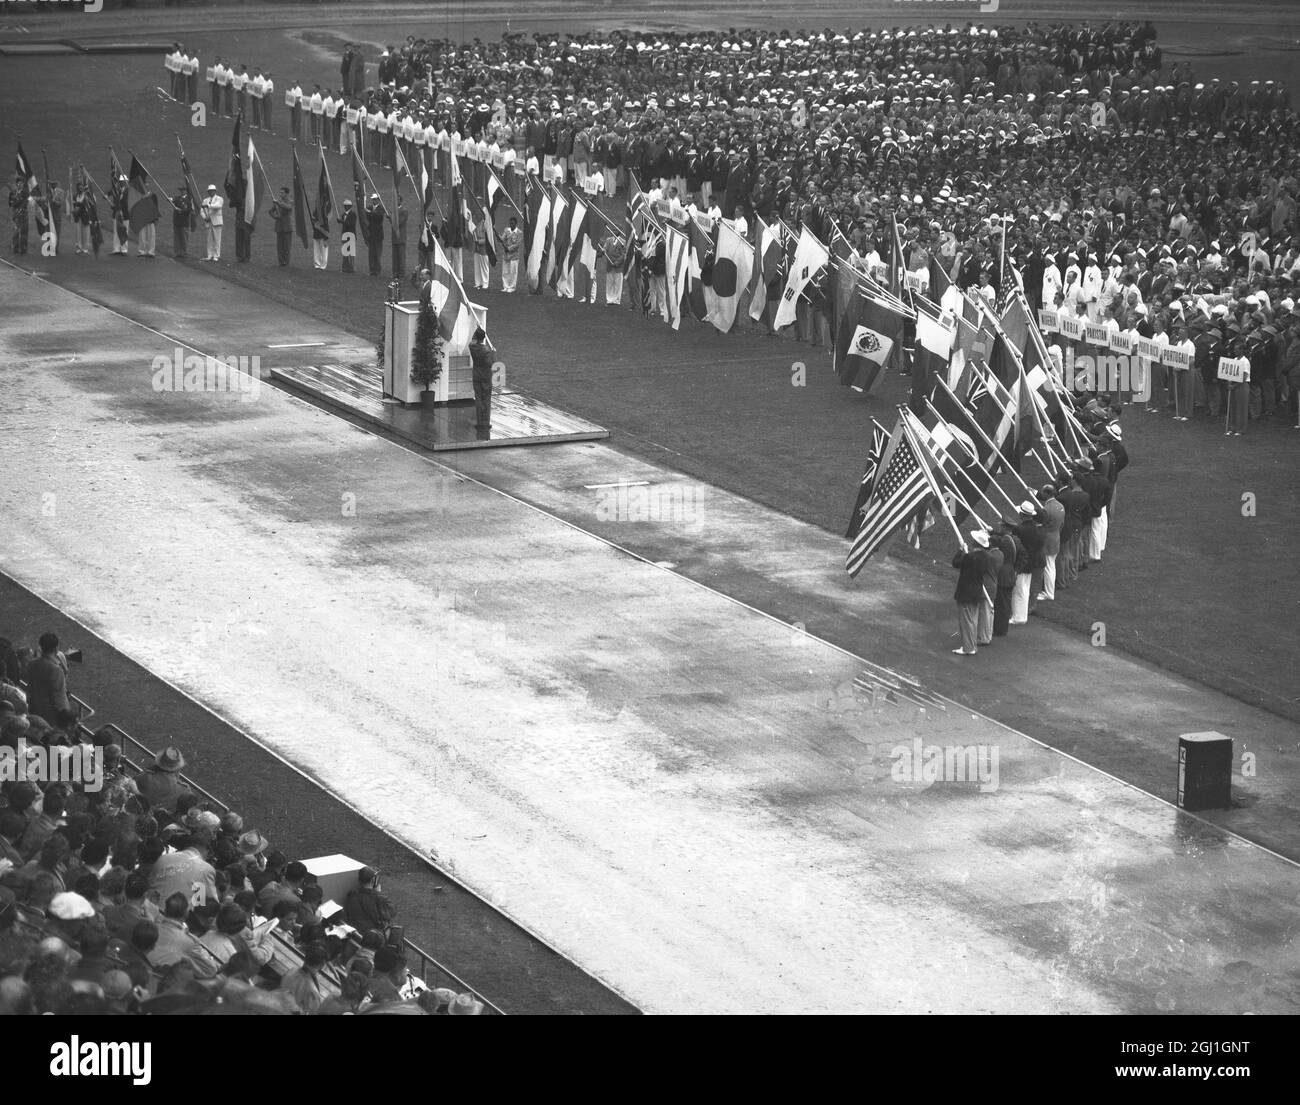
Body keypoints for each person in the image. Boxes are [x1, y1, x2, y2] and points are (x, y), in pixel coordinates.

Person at [950, 530, 990, 656]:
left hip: (966, 593)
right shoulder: (986, 557)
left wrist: (961, 550)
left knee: (966, 621)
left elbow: (956, 563)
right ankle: (971, 645)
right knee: (972, 620)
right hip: (976, 592)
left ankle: (968, 647)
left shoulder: (971, 557)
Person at [24, 632, 70, 726]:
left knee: (32, 737)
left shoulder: (31, 664)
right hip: (51, 717)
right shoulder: (56, 670)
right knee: (50, 738)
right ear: (56, 648)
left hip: (34, 710)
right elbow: (59, 698)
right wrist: (67, 716)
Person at [343, 866, 395, 937]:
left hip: (358, 933)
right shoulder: (378, 898)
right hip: (375, 936)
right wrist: (379, 894)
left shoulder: (352, 895)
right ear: (373, 880)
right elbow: (391, 913)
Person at [1035, 484, 1065, 601]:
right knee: (1051, 565)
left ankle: (1048, 592)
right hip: (1056, 537)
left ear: (1047, 494)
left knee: (1048, 567)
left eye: (1043, 493)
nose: (1042, 494)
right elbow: (1061, 524)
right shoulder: (1060, 506)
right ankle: (1049, 590)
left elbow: (1041, 524)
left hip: (1048, 540)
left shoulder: (1047, 509)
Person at [470, 327, 494, 429]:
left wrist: (476, 331)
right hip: (486, 377)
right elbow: (490, 364)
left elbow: (473, 340)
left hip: (476, 376)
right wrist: (493, 353)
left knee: (478, 399)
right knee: (486, 400)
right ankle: (486, 423)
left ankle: (479, 423)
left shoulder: (472, 347)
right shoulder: (487, 351)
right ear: (484, 338)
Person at [268, 186, 293, 267]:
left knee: (286, 246)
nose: (280, 194)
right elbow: (270, 211)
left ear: (286, 194)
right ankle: (281, 262)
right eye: (280, 192)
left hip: (287, 227)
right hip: (279, 227)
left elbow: (288, 207)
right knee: (280, 246)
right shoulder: (277, 202)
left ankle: (286, 262)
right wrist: (275, 216)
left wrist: (278, 203)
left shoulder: (290, 201)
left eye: (282, 193)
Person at [601, 231, 627, 306]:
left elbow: (623, 254)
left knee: (617, 283)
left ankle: (616, 300)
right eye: (614, 231)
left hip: (618, 266)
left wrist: (617, 262)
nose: (615, 232)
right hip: (609, 265)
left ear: (619, 232)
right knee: (610, 283)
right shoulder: (608, 240)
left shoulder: (623, 242)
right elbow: (605, 248)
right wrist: (603, 250)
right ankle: (609, 299)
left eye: (616, 231)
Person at [200, 184, 223, 261]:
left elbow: (218, 206)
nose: (211, 192)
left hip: (216, 222)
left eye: (212, 191)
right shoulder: (205, 200)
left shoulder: (219, 199)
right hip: (208, 222)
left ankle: (216, 255)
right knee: (209, 240)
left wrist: (209, 205)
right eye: (209, 191)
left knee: (217, 239)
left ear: (215, 191)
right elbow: (201, 211)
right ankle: (210, 255)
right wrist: (205, 217)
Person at [500, 215, 522, 292]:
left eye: (512, 223)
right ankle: (505, 286)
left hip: (514, 256)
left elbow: (517, 245)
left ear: (516, 224)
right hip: (506, 255)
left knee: (513, 272)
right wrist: (499, 237)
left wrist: (508, 249)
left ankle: (512, 287)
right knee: (505, 271)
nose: (511, 225)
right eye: (510, 223)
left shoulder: (519, 233)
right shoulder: (506, 230)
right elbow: (502, 239)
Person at [364, 193, 384, 276]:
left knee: (377, 253)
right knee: (371, 253)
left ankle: (377, 270)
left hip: (378, 235)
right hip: (371, 234)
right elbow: (367, 216)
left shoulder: (381, 208)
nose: (374, 201)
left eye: (375, 199)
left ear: (378, 200)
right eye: (373, 199)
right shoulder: (369, 207)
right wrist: (371, 213)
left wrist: (371, 213)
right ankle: (372, 270)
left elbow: (379, 217)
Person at [171, 181, 192, 259]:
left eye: (183, 190)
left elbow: (189, 210)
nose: (182, 191)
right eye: (181, 190)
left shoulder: (189, 199)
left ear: (186, 191)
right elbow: (173, 200)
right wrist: (170, 199)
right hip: (177, 221)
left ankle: (184, 252)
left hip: (184, 222)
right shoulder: (177, 198)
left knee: (184, 238)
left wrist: (182, 211)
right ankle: (177, 252)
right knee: (177, 237)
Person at [339, 198, 357, 273]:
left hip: (351, 235)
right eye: (345, 205)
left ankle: (351, 268)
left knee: (351, 253)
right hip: (345, 235)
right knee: (345, 252)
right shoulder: (343, 215)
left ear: (350, 206)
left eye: (347, 206)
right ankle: (345, 268)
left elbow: (351, 224)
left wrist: (342, 222)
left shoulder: (353, 214)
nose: (345, 207)